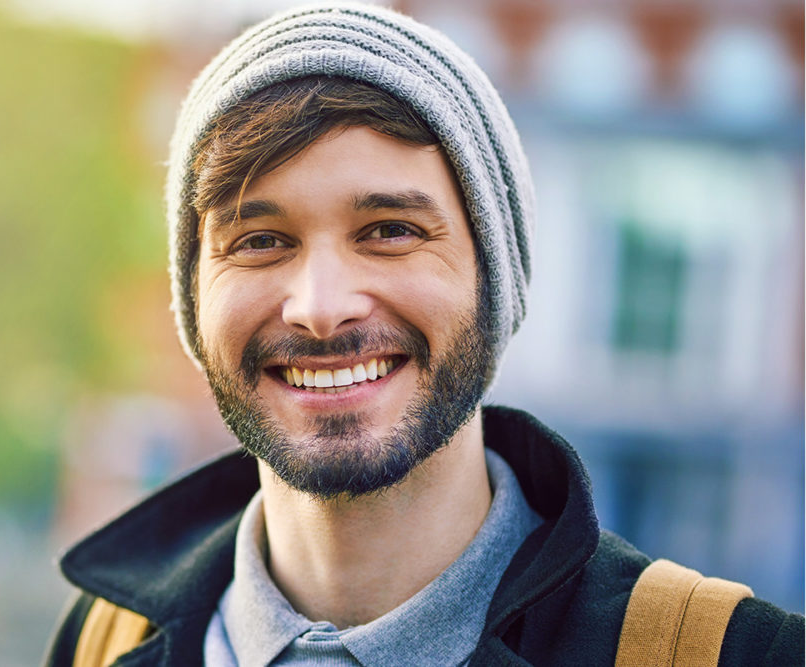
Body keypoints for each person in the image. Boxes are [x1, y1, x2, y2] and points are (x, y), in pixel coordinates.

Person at [43, 4, 804, 666]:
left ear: (495, 276)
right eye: (259, 240)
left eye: (389, 230)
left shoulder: (730, 653)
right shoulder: (104, 640)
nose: (319, 306)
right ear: (194, 296)